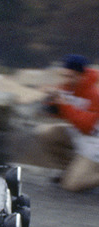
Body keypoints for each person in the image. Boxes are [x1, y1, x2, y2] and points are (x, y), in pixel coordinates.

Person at [35, 54, 99, 191]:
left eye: (71, 76)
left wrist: (63, 105)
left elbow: (88, 127)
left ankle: (80, 176)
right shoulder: (67, 86)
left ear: (82, 75)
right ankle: (71, 171)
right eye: (65, 75)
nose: (66, 80)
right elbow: (52, 113)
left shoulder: (95, 93)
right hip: (78, 135)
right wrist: (50, 101)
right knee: (44, 132)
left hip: (94, 141)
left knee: (71, 186)